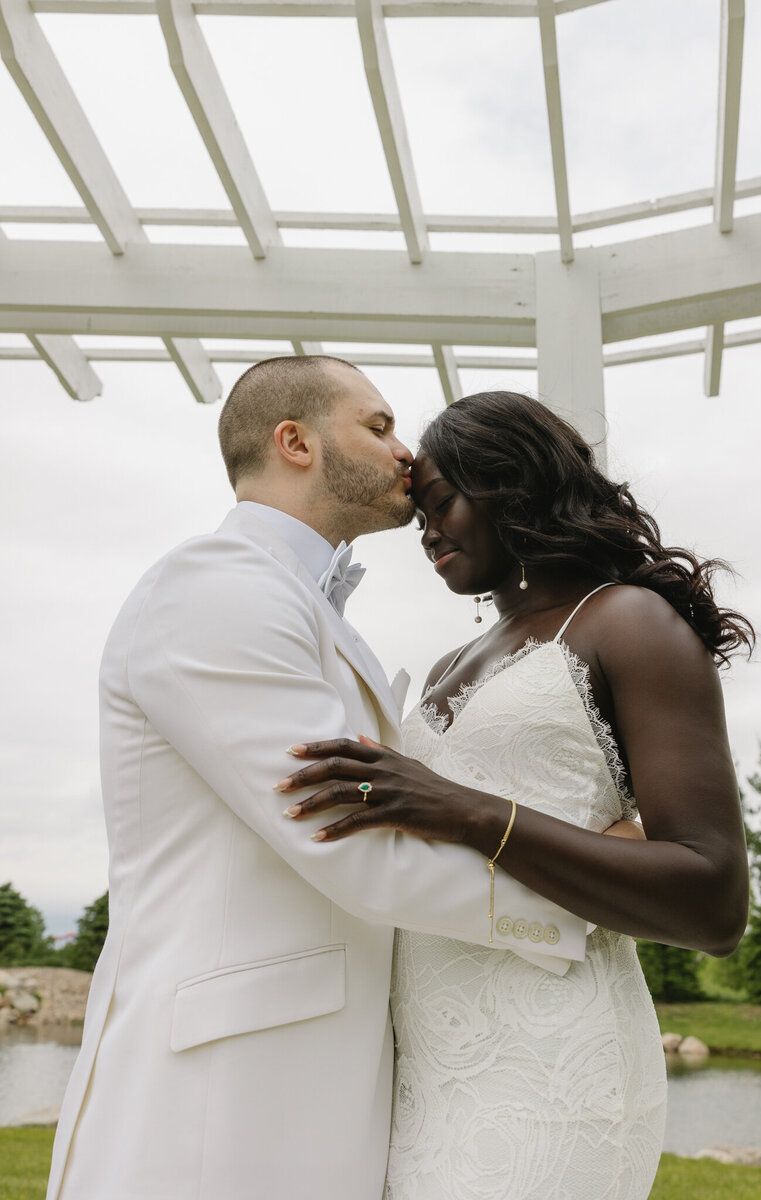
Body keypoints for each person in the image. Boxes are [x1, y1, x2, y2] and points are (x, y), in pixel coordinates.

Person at [47, 362, 619, 1200]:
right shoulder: (217, 587)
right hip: (221, 1094)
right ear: (295, 442)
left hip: (319, 1077)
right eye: (379, 426)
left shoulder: (294, 601)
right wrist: (598, 882)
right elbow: (350, 842)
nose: (408, 453)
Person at [278, 390, 752, 1200]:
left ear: (512, 482)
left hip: (557, 1072)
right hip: (427, 1070)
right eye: (418, 513)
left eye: (443, 504)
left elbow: (714, 901)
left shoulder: (628, 624)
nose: (427, 531)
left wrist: (460, 809)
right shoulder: (443, 668)